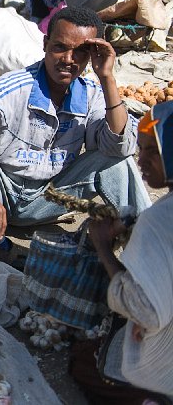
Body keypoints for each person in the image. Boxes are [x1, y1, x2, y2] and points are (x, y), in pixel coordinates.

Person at [0, 6, 151, 250]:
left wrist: (107, 78)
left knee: (118, 161)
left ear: (93, 54)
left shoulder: (91, 95)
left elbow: (119, 146)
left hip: (46, 198)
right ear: (45, 44)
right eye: (60, 47)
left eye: (81, 51)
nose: (68, 59)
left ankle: (148, 245)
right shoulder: (16, 87)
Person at [69, 101, 173, 404]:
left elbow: (147, 313)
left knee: (84, 362)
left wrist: (103, 247)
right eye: (141, 149)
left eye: (155, 151)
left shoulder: (159, 221)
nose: (141, 161)